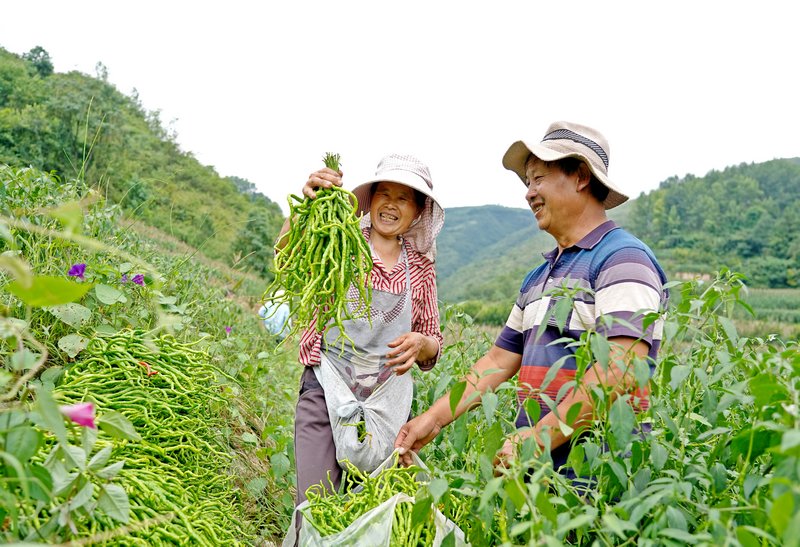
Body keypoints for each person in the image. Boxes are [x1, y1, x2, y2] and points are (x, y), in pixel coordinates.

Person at [394, 121, 669, 479]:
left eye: (538, 179)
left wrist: (539, 438)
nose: (529, 193)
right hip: (540, 479)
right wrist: (431, 420)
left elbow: (622, 368)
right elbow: (497, 360)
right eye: (528, 183)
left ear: (581, 176)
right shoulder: (539, 278)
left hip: (601, 479)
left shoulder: (622, 259)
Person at [278, 154, 445, 512]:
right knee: (314, 505)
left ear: (417, 211)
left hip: (384, 408)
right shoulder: (342, 238)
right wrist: (308, 205)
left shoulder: (420, 266)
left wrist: (421, 343)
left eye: (403, 198)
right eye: (384, 193)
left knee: (362, 512)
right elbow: (287, 255)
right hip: (326, 389)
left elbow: (434, 342)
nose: (391, 205)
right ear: (370, 200)